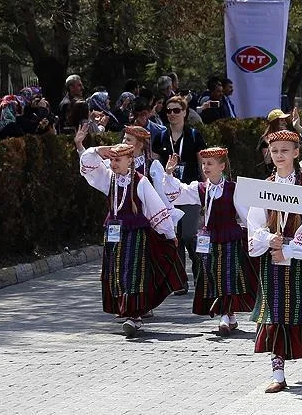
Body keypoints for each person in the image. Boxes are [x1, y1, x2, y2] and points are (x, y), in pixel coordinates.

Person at [247, 130, 302, 393]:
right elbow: (254, 222)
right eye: (274, 151)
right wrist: (269, 239)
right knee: (274, 312)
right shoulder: (265, 186)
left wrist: (290, 250)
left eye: (284, 150)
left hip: (300, 259)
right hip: (272, 258)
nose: (279, 155)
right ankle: (278, 372)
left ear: (295, 153)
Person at [79, 143, 185, 337]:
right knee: (116, 274)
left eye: (117, 160)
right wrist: (98, 150)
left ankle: (135, 316)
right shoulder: (108, 178)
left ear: (130, 161)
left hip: (135, 237)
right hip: (114, 236)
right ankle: (125, 310)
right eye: (111, 160)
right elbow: (87, 164)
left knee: (133, 274)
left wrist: (169, 234)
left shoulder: (140, 181)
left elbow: (156, 209)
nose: (113, 164)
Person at [162, 147, 257, 335]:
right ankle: (229, 316)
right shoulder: (201, 188)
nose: (205, 167)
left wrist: (256, 234)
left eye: (210, 163)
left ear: (222, 166)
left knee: (228, 277)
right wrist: (169, 174)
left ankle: (224, 315)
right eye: (204, 163)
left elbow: (247, 215)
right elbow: (178, 192)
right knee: (213, 276)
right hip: (209, 239)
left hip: (230, 238)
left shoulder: (233, 188)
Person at [152, 95, 207, 294]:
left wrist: (206, 190)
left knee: (190, 235)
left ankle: (201, 277)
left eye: (177, 110)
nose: (172, 114)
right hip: (168, 194)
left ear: (185, 112)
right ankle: (179, 282)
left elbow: (203, 165)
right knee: (174, 237)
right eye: (169, 110)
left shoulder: (193, 135)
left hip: (190, 192)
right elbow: (155, 167)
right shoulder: (160, 136)